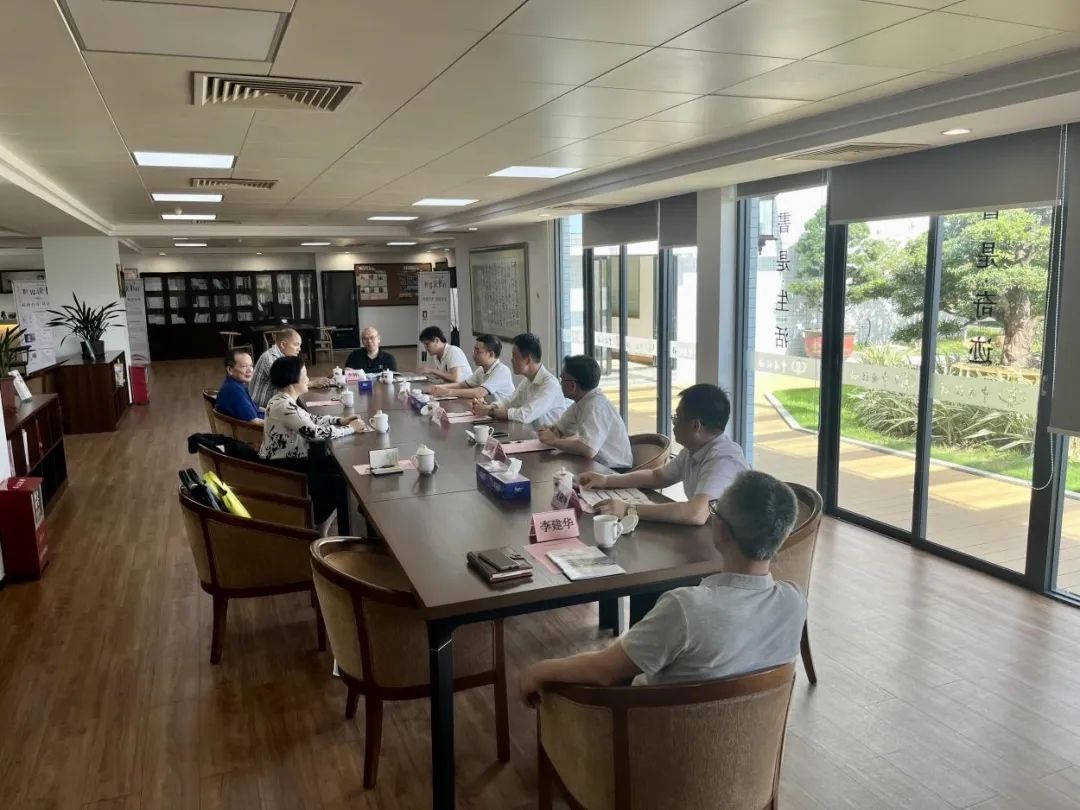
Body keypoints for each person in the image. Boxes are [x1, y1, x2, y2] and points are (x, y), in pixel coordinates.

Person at [519, 470, 805, 697]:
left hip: (659, 736)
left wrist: (538, 671)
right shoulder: (795, 601)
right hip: (750, 742)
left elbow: (603, 671)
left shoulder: (686, 608)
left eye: (715, 511)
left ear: (722, 531)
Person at [578, 384, 748, 525]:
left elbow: (695, 513)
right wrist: (606, 480)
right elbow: (657, 476)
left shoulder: (724, 461)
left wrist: (629, 509)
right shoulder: (694, 450)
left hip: (733, 547)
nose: (673, 424)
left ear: (695, 426)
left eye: (677, 418)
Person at [259, 356, 366, 529]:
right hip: (285, 466)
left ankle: (322, 525)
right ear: (293, 380)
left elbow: (311, 419)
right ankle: (321, 528)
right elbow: (314, 433)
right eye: (305, 375)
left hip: (289, 459)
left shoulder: (282, 400)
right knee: (338, 475)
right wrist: (350, 429)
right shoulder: (283, 406)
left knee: (334, 467)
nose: (308, 379)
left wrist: (340, 421)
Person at [537, 355, 632, 470]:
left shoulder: (595, 407)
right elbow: (560, 429)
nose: (560, 383)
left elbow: (588, 449)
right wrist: (550, 431)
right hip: (595, 465)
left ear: (572, 385)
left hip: (614, 470)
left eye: (562, 379)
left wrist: (553, 440)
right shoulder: (582, 402)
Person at [470, 332, 567, 428]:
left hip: (551, 437)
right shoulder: (528, 380)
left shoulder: (550, 384)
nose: (511, 360)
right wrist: (489, 407)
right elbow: (510, 402)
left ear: (528, 360)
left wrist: (489, 411)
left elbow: (525, 415)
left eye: (515, 356)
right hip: (531, 432)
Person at [250, 328, 330, 408]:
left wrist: (318, 379)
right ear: (283, 345)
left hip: (273, 403)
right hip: (262, 408)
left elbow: (294, 378)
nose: (299, 349)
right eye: (296, 344)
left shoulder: (280, 356)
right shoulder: (271, 358)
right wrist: (313, 383)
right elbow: (289, 384)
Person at [430, 333, 514, 401]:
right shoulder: (481, 369)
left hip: (504, 414)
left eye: (478, 351)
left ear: (491, 354)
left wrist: (448, 392)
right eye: (474, 350)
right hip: (490, 410)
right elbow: (463, 385)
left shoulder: (502, 371)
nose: (474, 355)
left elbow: (479, 393)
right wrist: (437, 387)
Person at [214, 349, 264, 425]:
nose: (250, 370)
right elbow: (253, 422)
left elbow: (256, 409)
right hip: (255, 431)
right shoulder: (233, 390)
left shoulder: (237, 385)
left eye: (251, 366)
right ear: (230, 370)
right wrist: (279, 425)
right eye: (244, 366)